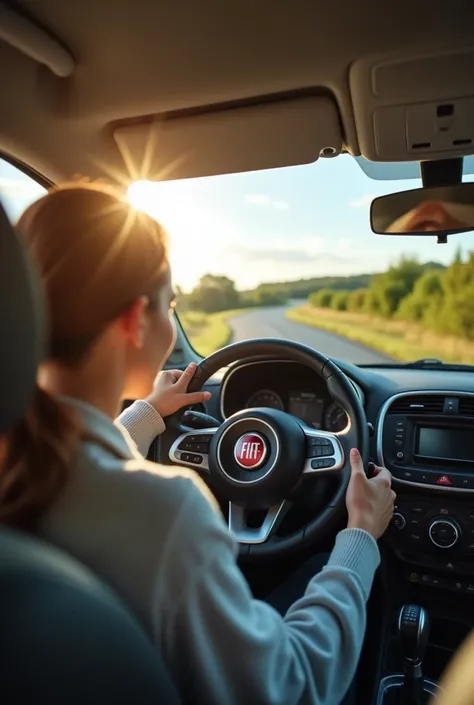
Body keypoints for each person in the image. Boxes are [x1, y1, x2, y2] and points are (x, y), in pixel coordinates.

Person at [1, 183, 395, 705]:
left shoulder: (25, 466)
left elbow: (82, 466)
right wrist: (359, 541)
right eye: (170, 305)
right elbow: (292, 685)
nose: (171, 322)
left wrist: (144, 416)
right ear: (135, 319)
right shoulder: (167, 510)